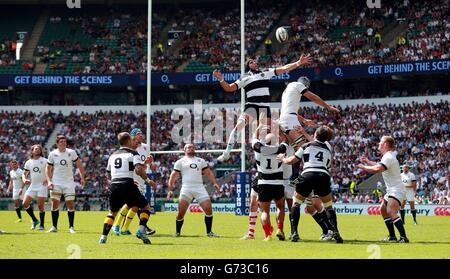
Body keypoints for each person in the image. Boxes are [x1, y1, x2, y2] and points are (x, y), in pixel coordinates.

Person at [212, 54, 312, 162]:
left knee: (265, 134)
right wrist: (221, 79)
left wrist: (298, 63)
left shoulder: (265, 73)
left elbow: (283, 69)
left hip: (264, 107)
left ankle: (266, 158)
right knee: (238, 127)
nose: (254, 62)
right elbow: (229, 88)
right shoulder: (244, 77)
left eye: (255, 61)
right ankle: (226, 153)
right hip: (251, 105)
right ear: (248, 66)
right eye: (251, 62)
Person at [278, 126, 344, 243]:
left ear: (315, 135)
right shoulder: (328, 149)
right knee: (328, 206)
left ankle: (294, 233)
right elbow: (328, 166)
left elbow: (292, 161)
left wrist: (283, 158)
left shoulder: (306, 146)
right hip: (323, 176)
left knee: (296, 204)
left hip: (307, 174)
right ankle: (335, 232)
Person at [99, 132, 156, 244]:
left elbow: (107, 173)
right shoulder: (133, 153)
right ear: (129, 141)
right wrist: (148, 181)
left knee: (112, 213)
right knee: (145, 207)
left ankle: (103, 237)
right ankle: (141, 231)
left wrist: (112, 182)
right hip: (128, 184)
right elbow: (138, 170)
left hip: (114, 185)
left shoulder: (112, 155)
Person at [357, 136, 409, 243]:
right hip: (392, 189)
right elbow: (379, 165)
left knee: (391, 211)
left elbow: (378, 169)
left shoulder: (388, 157)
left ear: (385, 144)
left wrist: (364, 167)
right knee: (383, 210)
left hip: (396, 189)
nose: (379, 145)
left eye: (380, 143)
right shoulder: (387, 156)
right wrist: (368, 161)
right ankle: (392, 236)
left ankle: (404, 238)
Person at [167, 143, 221, 237]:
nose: (191, 148)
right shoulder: (180, 162)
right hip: (186, 188)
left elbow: (208, 173)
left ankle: (209, 232)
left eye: (192, 147)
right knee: (181, 213)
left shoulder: (201, 161)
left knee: (208, 209)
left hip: (199, 187)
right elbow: (173, 176)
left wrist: (215, 183)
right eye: (188, 147)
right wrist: (170, 189)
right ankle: (177, 232)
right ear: (184, 150)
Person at [112, 128, 156, 236]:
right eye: (138, 134)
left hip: (141, 177)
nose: (141, 135)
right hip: (132, 177)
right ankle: (117, 225)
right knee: (131, 202)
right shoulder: (129, 147)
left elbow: (144, 165)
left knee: (135, 205)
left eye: (141, 133)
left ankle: (124, 228)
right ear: (132, 136)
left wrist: (149, 163)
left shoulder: (146, 147)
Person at [278, 76, 340, 150]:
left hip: (284, 119)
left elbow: (289, 112)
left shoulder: (288, 91)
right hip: (290, 120)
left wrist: (304, 120)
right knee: (304, 148)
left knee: (294, 149)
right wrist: (328, 107)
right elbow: (313, 97)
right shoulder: (298, 85)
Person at [251, 126, 287, 241]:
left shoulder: (259, 150)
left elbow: (254, 138)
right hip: (278, 183)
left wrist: (258, 128)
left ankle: (267, 235)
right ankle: (280, 229)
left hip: (263, 183)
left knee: (265, 211)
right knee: (280, 207)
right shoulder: (281, 148)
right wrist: (280, 130)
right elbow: (285, 140)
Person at [45, 135, 86, 233]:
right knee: (55, 204)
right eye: (61, 141)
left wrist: (82, 177)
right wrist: (49, 181)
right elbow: (47, 169)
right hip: (56, 182)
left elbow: (79, 165)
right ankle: (54, 227)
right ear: (57, 143)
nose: (63, 143)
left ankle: (71, 227)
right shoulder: (52, 154)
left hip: (69, 182)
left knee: (70, 204)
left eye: (64, 141)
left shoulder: (71, 152)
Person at [22, 145, 48, 230]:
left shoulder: (45, 161)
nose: (37, 150)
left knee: (40, 206)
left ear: (41, 151)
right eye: (35, 149)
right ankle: (34, 220)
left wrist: (48, 180)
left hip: (42, 186)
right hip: (33, 185)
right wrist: (24, 179)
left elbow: (52, 170)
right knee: (25, 204)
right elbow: (24, 173)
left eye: (39, 149)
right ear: (32, 151)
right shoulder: (28, 162)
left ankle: (42, 225)